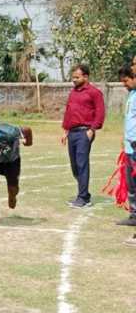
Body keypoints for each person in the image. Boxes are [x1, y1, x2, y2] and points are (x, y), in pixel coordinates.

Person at [61, 64, 105, 208]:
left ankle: (82, 198)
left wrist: (92, 130)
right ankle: (84, 195)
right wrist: (65, 131)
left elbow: (100, 113)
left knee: (82, 164)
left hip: (84, 132)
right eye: (73, 77)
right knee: (75, 166)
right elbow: (69, 112)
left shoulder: (94, 92)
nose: (74, 80)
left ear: (86, 77)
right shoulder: (73, 92)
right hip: (72, 133)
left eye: (77, 77)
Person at [116, 66, 136, 246]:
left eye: (127, 81)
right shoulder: (131, 95)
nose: (125, 84)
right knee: (131, 185)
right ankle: (134, 215)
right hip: (130, 147)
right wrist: (125, 139)